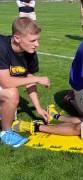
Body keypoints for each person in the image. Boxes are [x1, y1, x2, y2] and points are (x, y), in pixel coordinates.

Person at [0, 17, 50, 148]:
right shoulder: (2, 47)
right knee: (11, 94)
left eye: (37, 40)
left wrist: (38, 108)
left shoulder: (30, 53)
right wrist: (38, 79)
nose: (37, 44)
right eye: (33, 40)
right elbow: (6, 82)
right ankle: (6, 133)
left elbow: (28, 78)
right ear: (17, 38)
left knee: (10, 109)